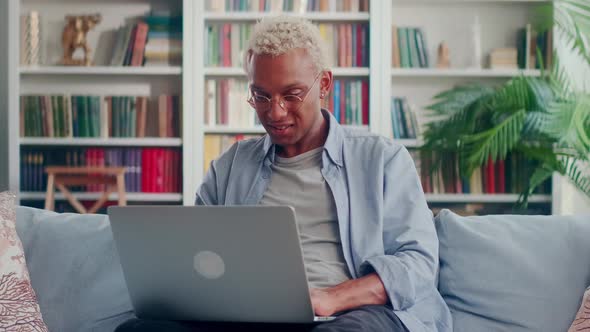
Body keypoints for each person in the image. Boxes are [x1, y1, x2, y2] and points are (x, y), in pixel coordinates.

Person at [116, 15, 452, 332]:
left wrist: (331, 297)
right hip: (249, 316)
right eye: (261, 96)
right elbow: (198, 257)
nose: (274, 112)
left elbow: (419, 263)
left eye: (291, 95)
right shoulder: (229, 166)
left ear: (323, 84)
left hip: (352, 315)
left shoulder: (382, 159)